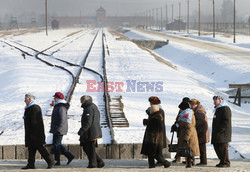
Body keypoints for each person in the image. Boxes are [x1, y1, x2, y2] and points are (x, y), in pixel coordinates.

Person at [22, 93, 53, 169]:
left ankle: (50, 161)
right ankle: (31, 164)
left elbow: (35, 123)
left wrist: (33, 134)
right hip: (31, 133)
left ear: (30, 99)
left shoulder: (34, 108)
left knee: (40, 148)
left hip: (35, 134)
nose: (24, 100)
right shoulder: (29, 108)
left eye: (25, 99)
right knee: (31, 149)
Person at [78, 95, 105, 168]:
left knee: (89, 148)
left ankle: (93, 164)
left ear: (85, 100)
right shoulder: (92, 106)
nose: (81, 102)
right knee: (88, 147)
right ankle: (99, 162)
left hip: (90, 132)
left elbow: (88, 122)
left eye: (82, 100)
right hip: (92, 131)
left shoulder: (88, 108)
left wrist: (82, 130)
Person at [141, 104, 171, 168]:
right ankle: (151, 165)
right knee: (150, 154)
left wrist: (153, 140)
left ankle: (166, 163)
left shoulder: (156, 118)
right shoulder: (155, 116)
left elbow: (154, 130)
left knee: (156, 155)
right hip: (153, 139)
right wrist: (147, 121)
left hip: (153, 139)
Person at [50, 92, 74, 165]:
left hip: (59, 128)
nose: (54, 99)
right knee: (57, 144)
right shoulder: (58, 106)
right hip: (57, 128)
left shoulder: (61, 107)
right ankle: (69, 156)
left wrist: (59, 129)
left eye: (55, 98)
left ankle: (58, 160)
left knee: (56, 144)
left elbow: (62, 119)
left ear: (58, 98)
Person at [176, 101, 200, 168]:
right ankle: (188, 163)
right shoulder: (186, 114)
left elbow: (188, 127)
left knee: (188, 150)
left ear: (183, 108)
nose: (180, 110)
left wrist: (186, 137)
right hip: (189, 134)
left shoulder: (186, 115)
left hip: (189, 135)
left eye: (180, 109)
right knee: (188, 150)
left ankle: (189, 164)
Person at [144, 96, 166, 166]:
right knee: (156, 150)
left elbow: (154, 121)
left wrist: (147, 121)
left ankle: (162, 162)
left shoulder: (157, 110)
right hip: (158, 132)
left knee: (156, 150)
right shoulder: (157, 109)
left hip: (156, 133)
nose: (149, 104)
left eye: (150, 102)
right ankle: (155, 163)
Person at [211, 95, 232, 168]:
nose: (214, 102)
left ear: (220, 101)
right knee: (217, 146)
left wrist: (221, 130)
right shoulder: (218, 109)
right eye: (213, 101)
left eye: (215, 101)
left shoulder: (225, 108)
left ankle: (226, 162)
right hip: (217, 132)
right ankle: (222, 161)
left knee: (223, 147)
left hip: (223, 132)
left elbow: (226, 121)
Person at [190, 99, 209, 166]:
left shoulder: (199, 112)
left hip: (201, 132)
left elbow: (200, 122)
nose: (191, 106)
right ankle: (202, 161)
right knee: (200, 147)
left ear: (196, 104)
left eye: (192, 105)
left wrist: (192, 124)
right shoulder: (197, 111)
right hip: (200, 131)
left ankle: (203, 161)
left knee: (202, 147)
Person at [170, 97, 190, 163]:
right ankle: (178, 157)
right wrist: (175, 125)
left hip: (185, 130)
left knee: (186, 145)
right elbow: (178, 119)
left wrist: (176, 125)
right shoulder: (182, 110)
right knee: (180, 144)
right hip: (180, 130)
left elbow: (184, 122)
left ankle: (188, 159)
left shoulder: (188, 111)